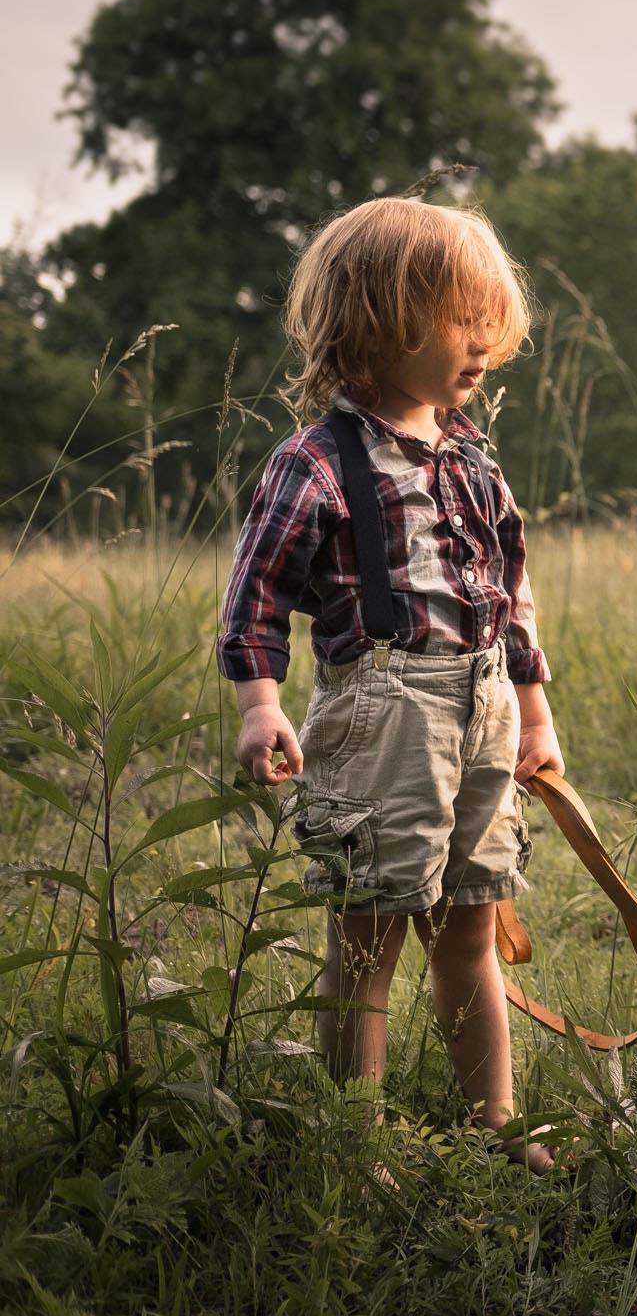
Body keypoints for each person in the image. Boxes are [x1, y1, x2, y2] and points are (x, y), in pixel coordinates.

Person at [217, 196, 563, 1173]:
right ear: (384, 321)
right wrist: (259, 703)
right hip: (383, 712)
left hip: (483, 703)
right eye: (464, 321)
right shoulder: (316, 463)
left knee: (471, 924)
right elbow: (256, 597)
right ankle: (352, 1139)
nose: (484, 343)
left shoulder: (472, 461)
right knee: (367, 940)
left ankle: (492, 1116)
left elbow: (511, 594)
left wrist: (534, 712)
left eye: (490, 323)